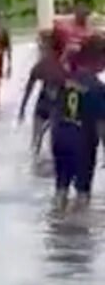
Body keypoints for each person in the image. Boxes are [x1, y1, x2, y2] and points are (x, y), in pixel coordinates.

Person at [50, 37, 105, 210]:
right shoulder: (97, 87)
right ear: (98, 59)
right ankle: (79, 231)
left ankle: (57, 222)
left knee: (61, 187)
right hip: (83, 142)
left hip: (61, 137)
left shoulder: (66, 80)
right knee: (82, 192)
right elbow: (101, 123)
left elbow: (55, 109)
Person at [18, 31, 66, 156]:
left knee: (39, 142)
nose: (40, 50)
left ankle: (36, 159)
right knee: (50, 142)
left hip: (50, 105)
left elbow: (28, 90)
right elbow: (29, 89)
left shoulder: (41, 67)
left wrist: (22, 109)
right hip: (55, 106)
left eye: (42, 47)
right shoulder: (61, 66)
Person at [54, 0, 96, 66]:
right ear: (75, 8)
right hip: (67, 60)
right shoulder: (63, 23)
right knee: (72, 48)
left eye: (85, 7)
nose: (82, 10)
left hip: (85, 60)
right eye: (80, 7)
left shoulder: (91, 26)